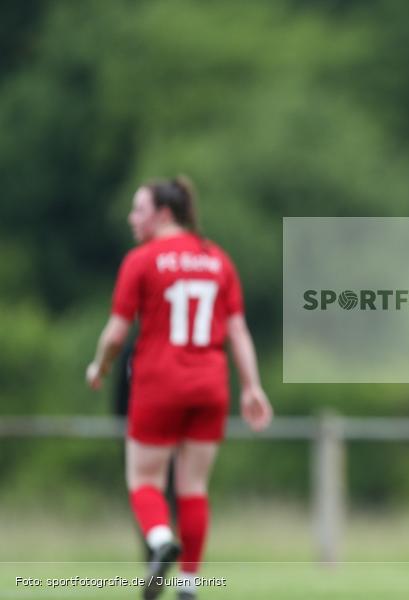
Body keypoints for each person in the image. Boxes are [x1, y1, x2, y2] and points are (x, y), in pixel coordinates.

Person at [86, 177, 273, 600]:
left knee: (143, 479)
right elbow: (237, 330)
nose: (132, 219)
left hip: (158, 382)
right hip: (210, 383)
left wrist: (99, 366)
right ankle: (187, 585)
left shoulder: (141, 259)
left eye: (139, 210)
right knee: (193, 488)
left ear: (163, 214)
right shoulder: (217, 260)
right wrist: (251, 386)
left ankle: (157, 540)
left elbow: (116, 334)